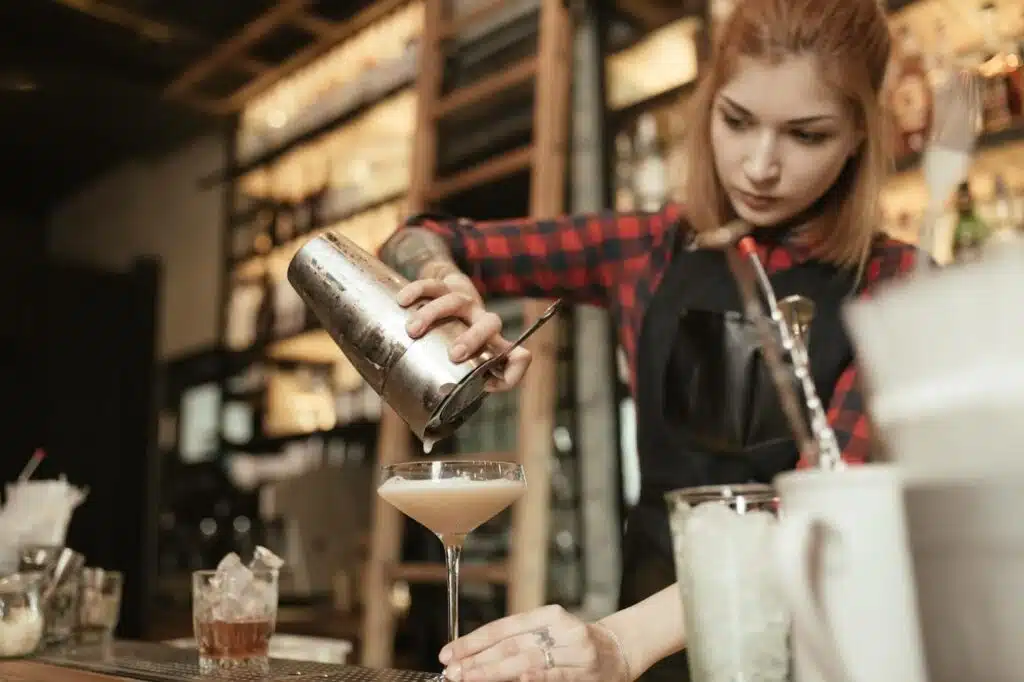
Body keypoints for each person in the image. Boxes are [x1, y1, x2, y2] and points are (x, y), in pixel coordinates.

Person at [379, 0, 927, 679]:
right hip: (650, 643)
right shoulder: (650, 248)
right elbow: (415, 238)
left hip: (805, 648)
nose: (759, 165)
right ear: (707, 103)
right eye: (736, 121)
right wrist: (444, 284)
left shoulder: (897, 283)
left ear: (860, 135)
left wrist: (617, 643)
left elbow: (818, 515)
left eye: (806, 135)